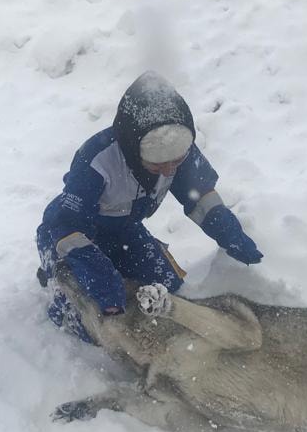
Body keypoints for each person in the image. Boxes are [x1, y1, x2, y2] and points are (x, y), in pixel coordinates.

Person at [36, 71, 262, 342]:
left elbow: (201, 198)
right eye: (157, 164)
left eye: (174, 161)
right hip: (71, 234)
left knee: (171, 294)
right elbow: (67, 226)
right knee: (95, 322)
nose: (168, 169)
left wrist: (230, 233)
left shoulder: (179, 151)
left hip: (123, 231)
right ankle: (54, 277)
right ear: (133, 147)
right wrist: (103, 281)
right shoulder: (97, 160)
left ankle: (113, 268)